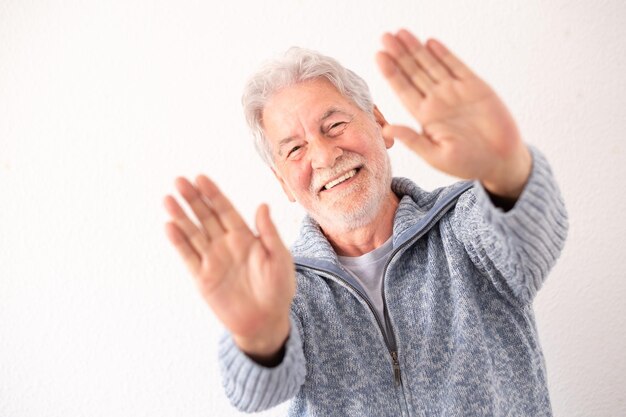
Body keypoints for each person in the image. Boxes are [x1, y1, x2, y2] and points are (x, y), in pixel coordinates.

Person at [163, 29, 568, 417]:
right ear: (283, 182)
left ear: (377, 121)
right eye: (295, 149)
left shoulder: (463, 223)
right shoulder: (283, 285)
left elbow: (530, 241)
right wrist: (258, 338)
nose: (324, 155)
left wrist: (506, 168)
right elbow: (256, 393)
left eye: (335, 125)